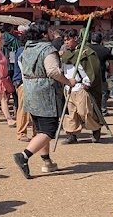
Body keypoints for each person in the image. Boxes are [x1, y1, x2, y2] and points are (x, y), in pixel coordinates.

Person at [12, 21, 73, 179]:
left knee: (40, 129)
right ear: (44, 33)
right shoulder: (48, 49)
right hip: (45, 92)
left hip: (30, 90)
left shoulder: (27, 48)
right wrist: (68, 81)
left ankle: (47, 162)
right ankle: (24, 156)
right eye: (50, 30)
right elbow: (53, 71)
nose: (53, 33)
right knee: (48, 130)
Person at [60, 28, 104, 142]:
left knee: (84, 112)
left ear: (75, 39)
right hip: (69, 87)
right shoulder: (66, 54)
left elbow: (93, 70)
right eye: (64, 40)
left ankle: (96, 129)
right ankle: (72, 134)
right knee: (71, 113)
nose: (66, 42)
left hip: (81, 87)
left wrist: (87, 83)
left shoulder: (86, 53)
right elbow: (64, 69)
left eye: (68, 40)